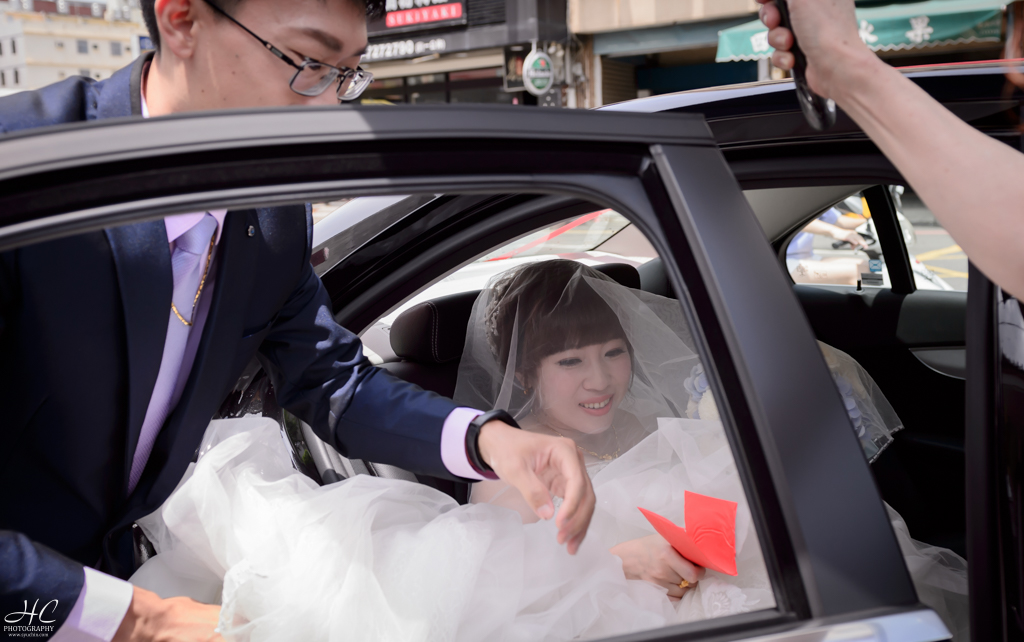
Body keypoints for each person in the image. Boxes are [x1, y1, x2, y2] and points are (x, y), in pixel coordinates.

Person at [0, 1, 594, 640]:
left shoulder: (274, 218)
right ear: (181, 21)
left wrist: (487, 440)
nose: (330, 108)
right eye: (309, 63)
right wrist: (144, 620)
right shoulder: (26, 162)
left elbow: (332, 381)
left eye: (347, 74)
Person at [129, 260, 965, 639]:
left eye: (613, 353)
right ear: (526, 372)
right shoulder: (509, 476)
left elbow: (727, 531)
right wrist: (620, 561)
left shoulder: (666, 431)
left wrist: (696, 545)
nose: (601, 380)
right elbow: (507, 594)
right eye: (570, 362)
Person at [755, 0, 1024, 301]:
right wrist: (843, 64)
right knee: (856, 270)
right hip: (796, 265)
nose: (1012, 56)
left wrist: (844, 64)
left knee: (861, 269)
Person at [786, 206, 869, 285]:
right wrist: (834, 231)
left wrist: (868, 222)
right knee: (858, 274)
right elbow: (794, 219)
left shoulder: (813, 200)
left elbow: (837, 220)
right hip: (785, 262)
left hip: (806, 257)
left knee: (866, 266)